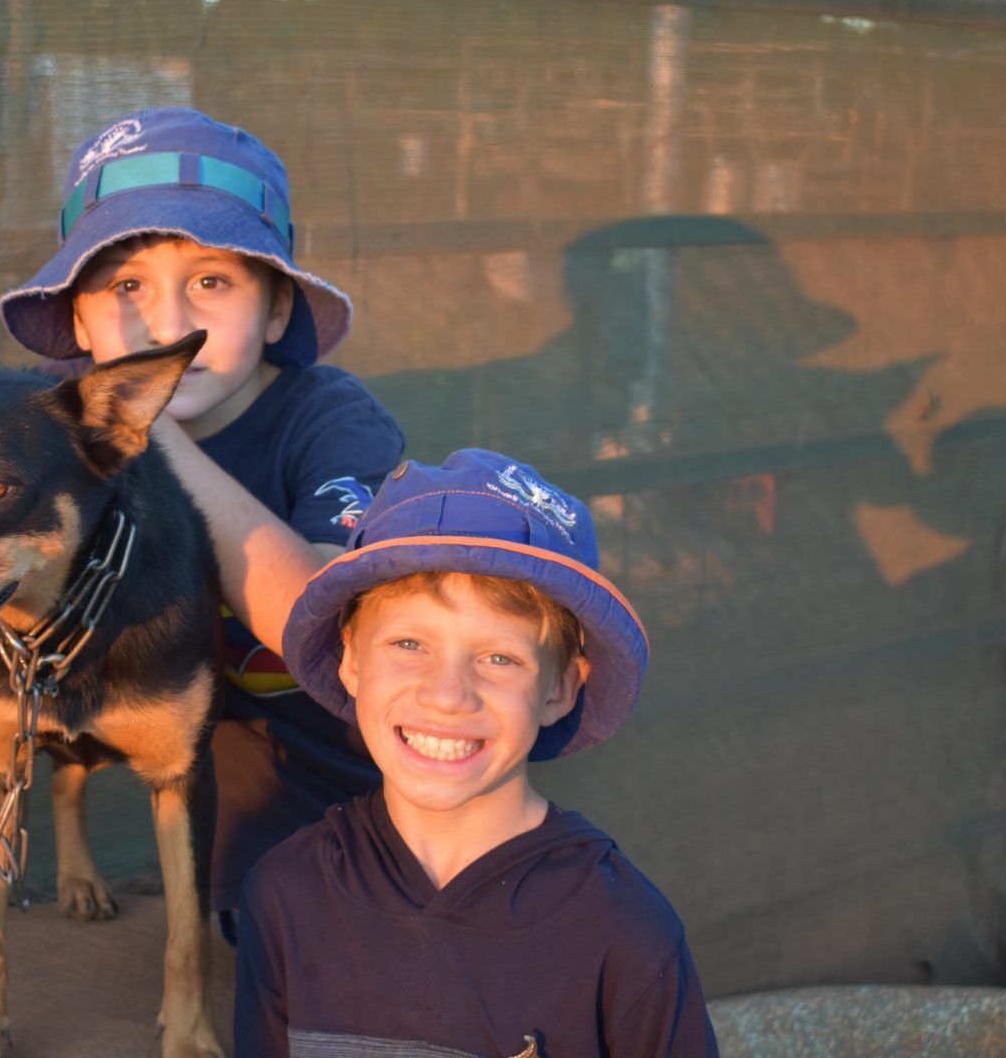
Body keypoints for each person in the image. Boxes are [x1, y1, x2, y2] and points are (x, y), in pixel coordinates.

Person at [0, 107, 404, 917]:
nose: (166, 322)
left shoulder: (329, 422)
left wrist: (154, 438)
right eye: (125, 286)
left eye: (212, 282)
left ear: (276, 311)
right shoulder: (55, 426)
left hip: (317, 789)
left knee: (289, 959)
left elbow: (326, 620)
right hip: (172, 759)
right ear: (77, 322)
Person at [237, 448, 718, 1057]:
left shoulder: (624, 932)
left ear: (561, 688)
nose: (447, 695)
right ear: (352, 658)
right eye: (409, 643)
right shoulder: (285, 893)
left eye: (499, 658)